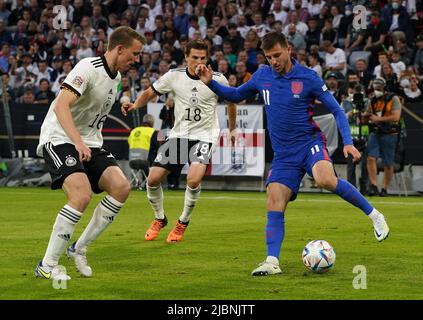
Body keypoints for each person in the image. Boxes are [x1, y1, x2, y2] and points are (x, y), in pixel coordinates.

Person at [197, 32, 390, 276]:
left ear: (289, 49)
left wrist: (348, 143)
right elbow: (236, 95)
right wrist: (210, 82)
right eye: (269, 57)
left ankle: (375, 215)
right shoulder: (262, 75)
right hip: (284, 155)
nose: (274, 61)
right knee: (274, 199)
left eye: (277, 55)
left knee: (325, 179)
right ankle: (271, 261)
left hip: (309, 143)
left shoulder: (308, 77)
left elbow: (338, 111)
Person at [34, 26, 145, 280]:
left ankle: (79, 248)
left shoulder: (116, 78)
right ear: (120, 49)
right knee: (81, 195)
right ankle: (47, 265)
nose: (136, 60)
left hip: (90, 141)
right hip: (60, 137)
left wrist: (123, 103)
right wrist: (78, 142)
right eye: (134, 54)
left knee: (121, 187)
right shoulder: (87, 67)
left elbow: (93, 106)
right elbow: (62, 106)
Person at [121, 40, 237, 243]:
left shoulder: (217, 79)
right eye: (194, 57)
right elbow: (149, 93)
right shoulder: (174, 76)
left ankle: (183, 221)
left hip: (204, 136)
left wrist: (233, 128)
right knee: (153, 179)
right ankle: (160, 218)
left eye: (202, 58)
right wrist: (134, 105)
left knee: (193, 179)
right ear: (186, 57)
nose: (199, 62)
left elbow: (231, 101)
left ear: (207, 59)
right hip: (179, 136)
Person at [365, 77, 402, 197]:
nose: (376, 90)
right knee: (371, 157)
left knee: (388, 162)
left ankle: (384, 188)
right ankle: (374, 185)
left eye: (379, 88)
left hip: (390, 132)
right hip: (376, 132)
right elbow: (369, 114)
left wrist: (378, 119)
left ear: (384, 87)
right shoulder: (373, 100)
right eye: (375, 88)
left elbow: (396, 117)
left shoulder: (393, 99)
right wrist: (365, 116)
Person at [128, 113, 159, 181]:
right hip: (146, 162)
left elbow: (129, 142)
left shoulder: (134, 130)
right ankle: (150, 181)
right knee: (156, 155)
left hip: (132, 161)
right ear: (152, 123)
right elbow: (156, 146)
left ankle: (143, 182)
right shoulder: (152, 131)